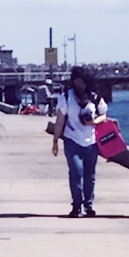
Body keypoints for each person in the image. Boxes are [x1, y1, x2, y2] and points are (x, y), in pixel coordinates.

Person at [51, 66, 107, 217]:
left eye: (82, 81)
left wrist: (93, 122)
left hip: (91, 142)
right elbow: (60, 120)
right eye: (77, 81)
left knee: (90, 174)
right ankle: (76, 205)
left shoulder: (95, 98)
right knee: (76, 171)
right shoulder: (66, 97)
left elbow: (104, 115)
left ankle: (88, 204)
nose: (80, 85)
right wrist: (55, 140)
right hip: (72, 140)